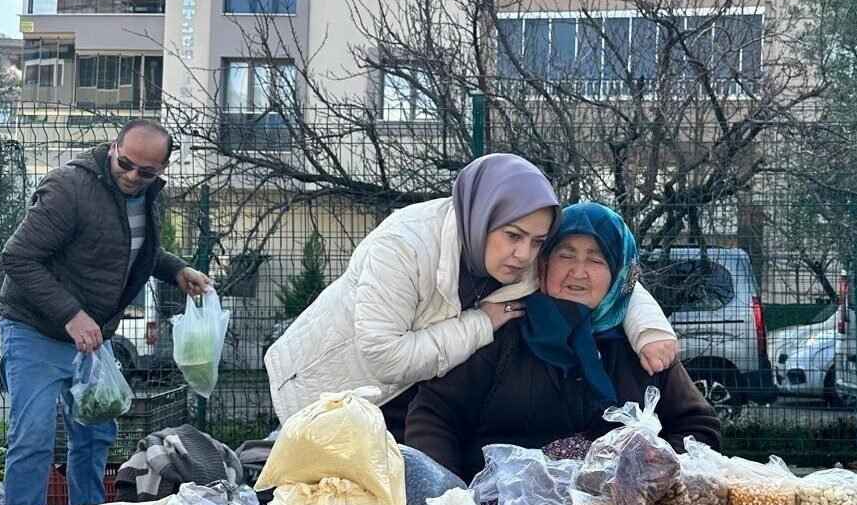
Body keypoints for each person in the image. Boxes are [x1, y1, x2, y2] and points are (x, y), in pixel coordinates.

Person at [264, 153, 680, 439]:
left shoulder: (524, 258)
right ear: (482, 218)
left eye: (538, 242)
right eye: (513, 236)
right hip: (334, 386)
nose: (524, 255)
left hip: (416, 388)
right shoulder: (402, 247)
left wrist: (649, 329)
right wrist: (481, 323)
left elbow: (606, 276)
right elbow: (383, 357)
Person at [405, 203, 723, 483]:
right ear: (542, 265)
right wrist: (447, 495)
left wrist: (648, 476)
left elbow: (698, 426)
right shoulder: (504, 331)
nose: (578, 271)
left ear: (619, 273)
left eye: (596, 261)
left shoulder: (642, 347)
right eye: (565, 255)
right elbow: (435, 413)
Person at [0, 117, 213, 505]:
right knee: (34, 438)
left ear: (161, 170)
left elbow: (127, 250)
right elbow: (18, 257)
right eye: (125, 164)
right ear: (114, 148)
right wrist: (71, 315)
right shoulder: (70, 188)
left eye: (146, 171)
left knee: (95, 434)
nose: (132, 176)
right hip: (35, 329)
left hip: (92, 339)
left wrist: (177, 270)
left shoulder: (149, 196)